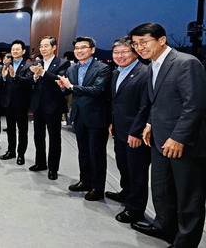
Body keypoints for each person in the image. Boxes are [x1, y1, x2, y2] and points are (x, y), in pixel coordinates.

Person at [128, 23, 206, 247]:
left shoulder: (186, 63)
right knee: (162, 189)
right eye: (135, 44)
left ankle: (186, 241)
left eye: (144, 42)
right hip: (160, 140)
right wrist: (150, 124)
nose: (139, 47)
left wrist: (179, 137)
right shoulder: (153, 65)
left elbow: (195, 105)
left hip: (184, 142)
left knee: (188, 196)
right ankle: (163, 226)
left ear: (162, 40)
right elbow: (158, 102)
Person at [57, 36, 111, 201]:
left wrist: (71, 87)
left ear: (92, 50)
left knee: (97, 154)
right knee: (83, 152)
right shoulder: (72, 69)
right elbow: (70, 92)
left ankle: (97, 187)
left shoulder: (102, 68)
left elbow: (98, 90)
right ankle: (85, 181)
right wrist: (64, 88)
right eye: (77, 48)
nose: (79, 51)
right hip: (79, 116)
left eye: (83, 47)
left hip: (96, 117)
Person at [107, 36, 150, 223]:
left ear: (135, 52)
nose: (120, 56)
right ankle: (126, 193)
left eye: (125, 51)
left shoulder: (145, 73)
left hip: (135, 133)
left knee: (137, 171)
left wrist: (137, 132)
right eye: (116, 52)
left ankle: (135, 209)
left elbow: (146, 106)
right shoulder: (117, 73)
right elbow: (115, 102)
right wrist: (112, 122)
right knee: (123, 165)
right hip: (119, 129)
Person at [28, 36, 70, 179]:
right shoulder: (37, 63)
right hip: (38, 105)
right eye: (41, 46)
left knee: (54, 138)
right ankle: (40, 163)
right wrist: (34, 76)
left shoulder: (62, 63)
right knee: (38, 136)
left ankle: (53, 168)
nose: (43, 49)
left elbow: (60, 80)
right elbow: (30, 81)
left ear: (53, 47)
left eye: (46, 46)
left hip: (53, 106)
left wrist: (43, 73)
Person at [1, 40, 33, 164]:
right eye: (13, 49)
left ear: (23, 51)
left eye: (17, 49)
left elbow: (29, 81)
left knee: (22, 130)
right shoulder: (7, 65)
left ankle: (21, 154)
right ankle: (11, 151)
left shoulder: (28, 66)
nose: (14, 51)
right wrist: (4, 77)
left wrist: (15, 76)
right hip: (8, 102)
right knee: (10, 129)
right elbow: (4, 83)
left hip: (21, 103)